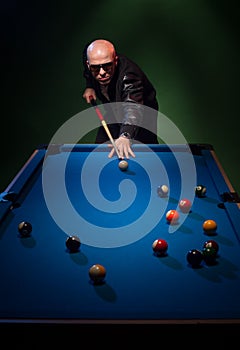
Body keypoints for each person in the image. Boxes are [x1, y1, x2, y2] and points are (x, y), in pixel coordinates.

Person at [82, 39, 159, 159]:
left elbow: (133, 106)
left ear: (115, 61)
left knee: (143, 154)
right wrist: (90, 86)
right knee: (100, 149)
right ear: (89, 64)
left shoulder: (129, 77)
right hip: (114, 109)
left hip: (141, 115)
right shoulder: (93, 60)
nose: (102, 72)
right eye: (95, 68)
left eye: (107, 66)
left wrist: (125, 135)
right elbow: (88, 68)